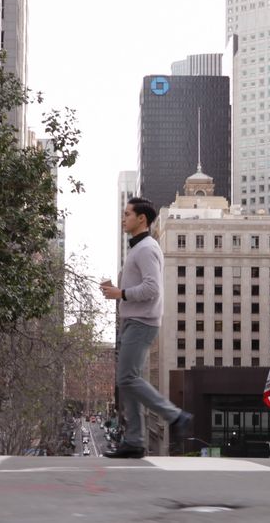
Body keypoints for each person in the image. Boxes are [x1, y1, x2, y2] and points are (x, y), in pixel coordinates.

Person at [100, 197, 192, 459]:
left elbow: (152, 289)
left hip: (142, 322)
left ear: (142, 219)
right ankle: (135, 442)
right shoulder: (139, 249)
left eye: (127, 214)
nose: (123, 218)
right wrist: (118, 291)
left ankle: (175, 416)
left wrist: (121, 293)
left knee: (127, 378)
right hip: (133, 321)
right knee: (128, 381)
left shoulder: (147, 249)